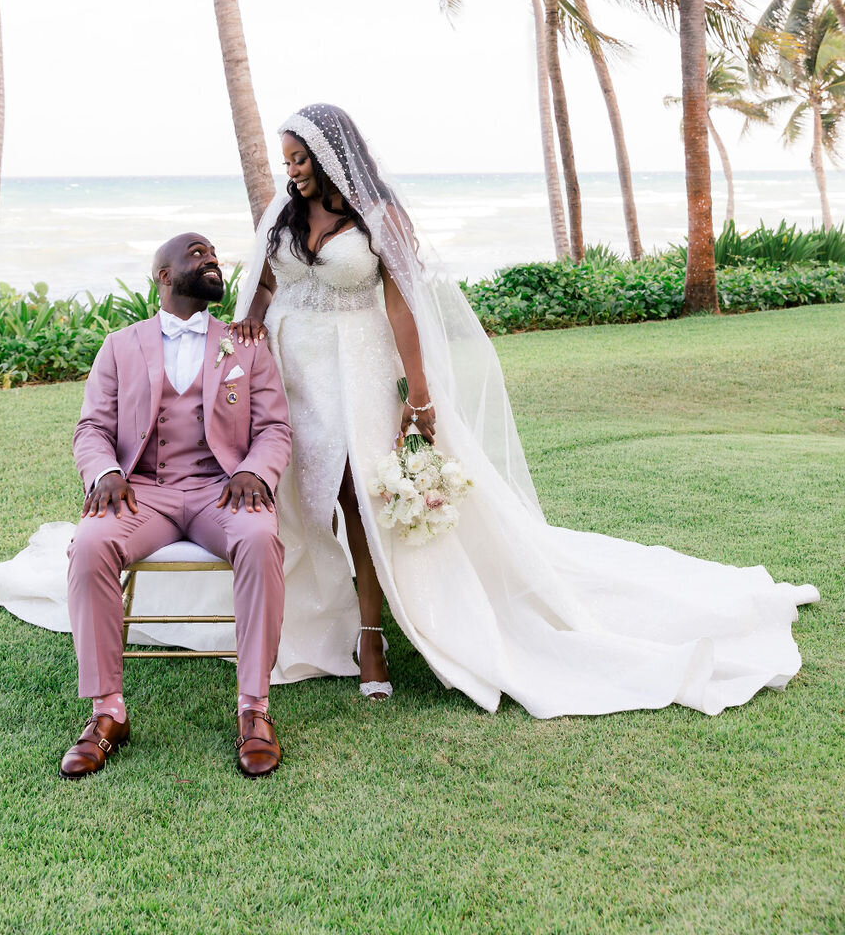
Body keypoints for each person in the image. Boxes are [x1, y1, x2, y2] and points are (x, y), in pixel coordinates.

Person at [233, 103, 819, 717]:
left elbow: (404, 307)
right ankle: (306, 617)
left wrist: (420, 392)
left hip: (357, 367)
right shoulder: (284, 211)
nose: (291, 171)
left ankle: (371, 638)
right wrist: (249, 320)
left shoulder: (380, 217)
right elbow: (267, 282)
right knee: (296, 495)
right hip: (291, 368)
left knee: (360, 496)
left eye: (299, 159)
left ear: (331, 155)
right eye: (287, 160)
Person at [61, 231, 291, 778]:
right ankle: (107, 711)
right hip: (145, 492)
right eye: (196, 254)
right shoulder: (120, 345)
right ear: (164, 277)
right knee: (90, 544)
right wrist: (108, 472)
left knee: (260, 539)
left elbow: (276, 427)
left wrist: (253, 471)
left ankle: (254, 709)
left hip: (222, 489)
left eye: (213, 253)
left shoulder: (245, 344)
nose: (210, 259)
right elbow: (91, 427)